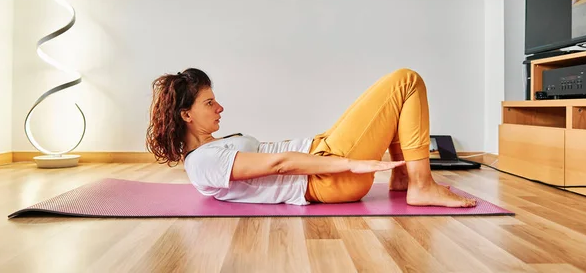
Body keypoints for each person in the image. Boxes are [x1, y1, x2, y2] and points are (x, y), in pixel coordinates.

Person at [146, 67, 477, 208]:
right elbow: (279, 164)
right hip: (324, 174)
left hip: (321, 151)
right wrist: (349, 164)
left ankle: (405, 180)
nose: (220, 107)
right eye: (209, 102)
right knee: (407, 81)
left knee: (391, 104)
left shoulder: (211, 149)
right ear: (186, 115)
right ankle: (421, 185)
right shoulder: (202, 163)